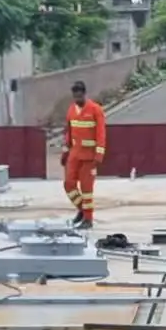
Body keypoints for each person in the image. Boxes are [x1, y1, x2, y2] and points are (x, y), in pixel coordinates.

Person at [63, 81, 107, 228]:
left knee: (87, 189)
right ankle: (82, 210)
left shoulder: (95, 110)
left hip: (89, 158)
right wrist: (65, 151)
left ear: (84, 94)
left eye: (79, 96)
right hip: (75, 154)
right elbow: (68, 132)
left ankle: (88, 219)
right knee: (69, 184)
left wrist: (98, 156)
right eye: (75, 97)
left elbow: (101, 135)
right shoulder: (71, 110)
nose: (77, 100)